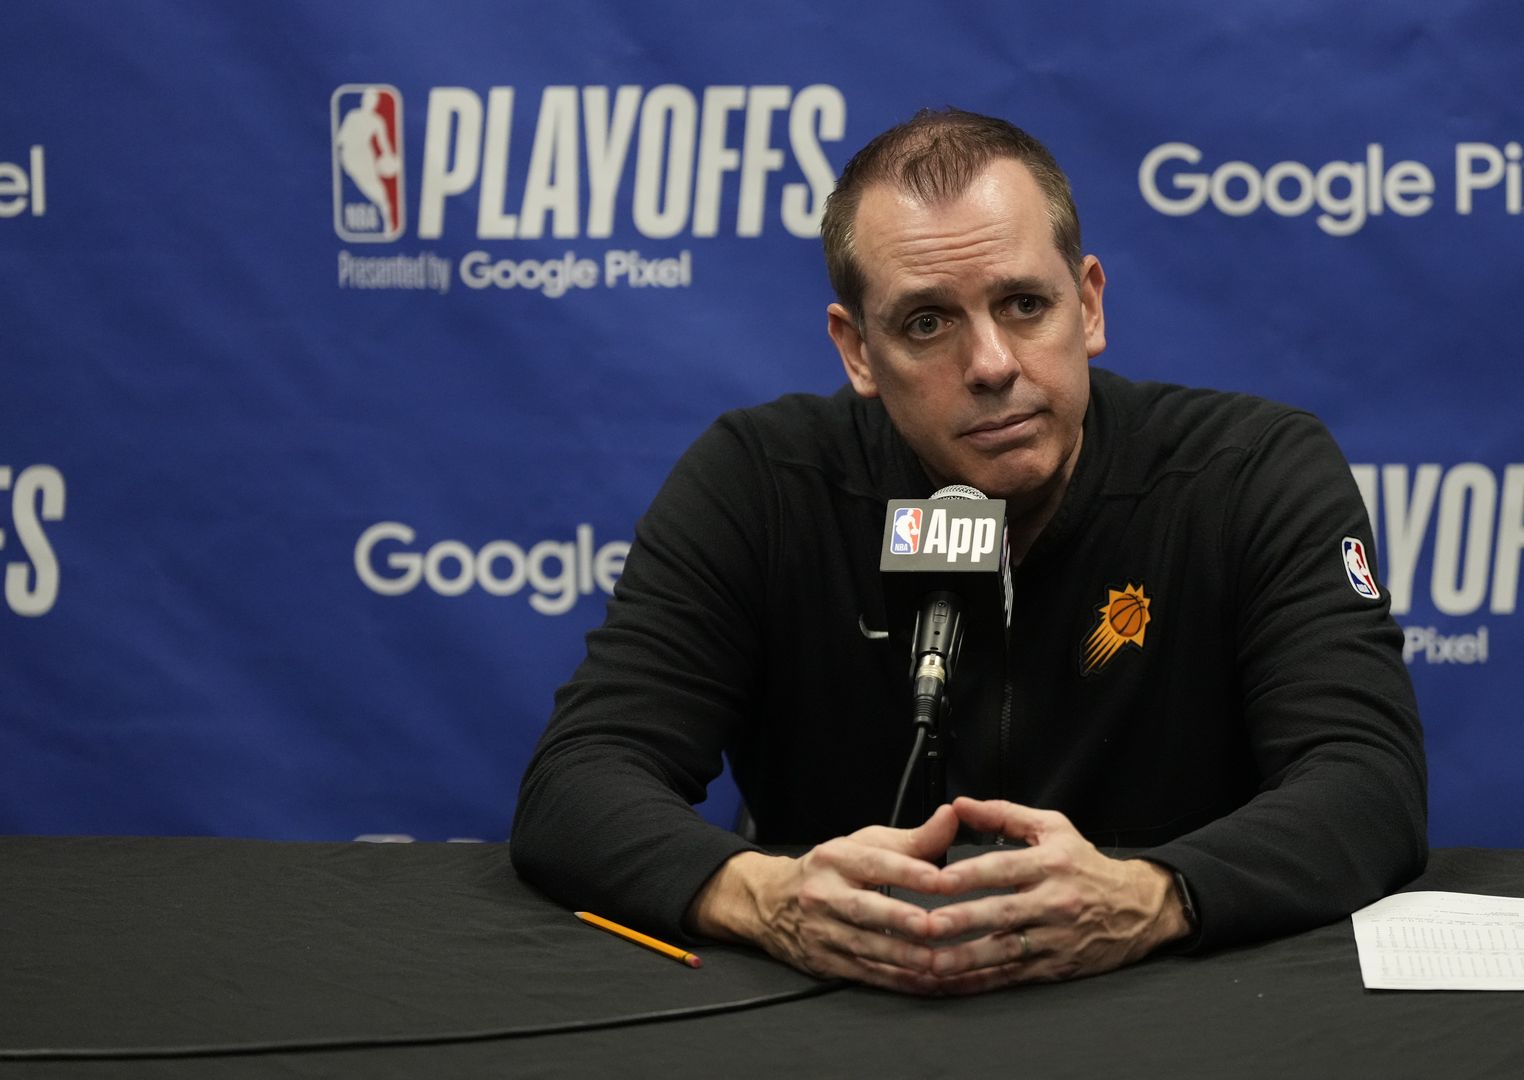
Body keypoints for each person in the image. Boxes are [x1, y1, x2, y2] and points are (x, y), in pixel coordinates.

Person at [511, 109, 1426, 996]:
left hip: (1170, 1010)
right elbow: (581, 778)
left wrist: (1151, 897)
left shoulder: (1249, 474)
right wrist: (766, 897)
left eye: (1025, 304)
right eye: (926, 324)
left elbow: (1364, 781)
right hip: (843, 1014)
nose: (991, 363)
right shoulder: (765, 482)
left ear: (1090, 304)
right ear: (857, 351)